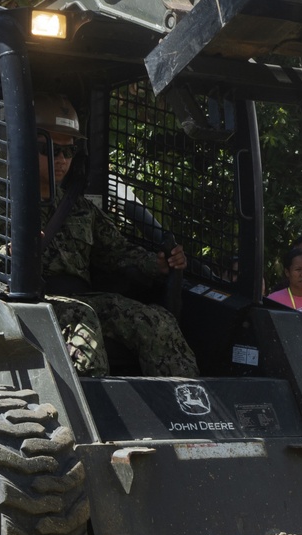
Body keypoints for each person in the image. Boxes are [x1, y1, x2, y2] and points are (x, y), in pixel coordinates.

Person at [36, 93, 198, 378]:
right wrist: (11, 253)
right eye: (49, 148)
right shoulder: (6, 205)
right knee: (83, 320)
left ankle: (186, 408)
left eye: (68, 151)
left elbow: (118, 251)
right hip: (29, 302)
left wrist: (157, 264)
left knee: (156, 321)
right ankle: (91, 418)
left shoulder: (80, 208)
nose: (61, 159)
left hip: (80, 297)